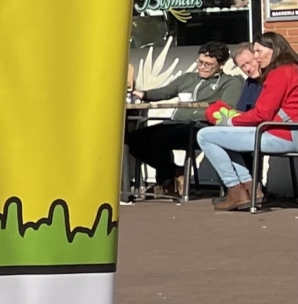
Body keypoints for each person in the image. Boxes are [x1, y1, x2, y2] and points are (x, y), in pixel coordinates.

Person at [127, 41, 242, 197]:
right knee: (133, 138)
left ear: (221, 65)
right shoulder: (188, 78)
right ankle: (174, 172)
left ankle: (167, 181)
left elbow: (227, 108)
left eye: (208, 64)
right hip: (176, 123)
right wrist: (143, 94)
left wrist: (198, 111)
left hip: (203, 126)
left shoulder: (229, 82)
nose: (202, 67)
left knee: (159, 138)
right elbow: (165, 92)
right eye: (200, 62)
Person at [196, 34, 298, 210]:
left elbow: (261, 115)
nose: (256, 57)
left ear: (274, 49)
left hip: (282, 135)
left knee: (205, 136)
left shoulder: (279, 74)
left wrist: (229, 121)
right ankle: (250, 188)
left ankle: (235, 189)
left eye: (258, 51)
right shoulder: (293, 68)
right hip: (287, 131)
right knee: (224, 139)